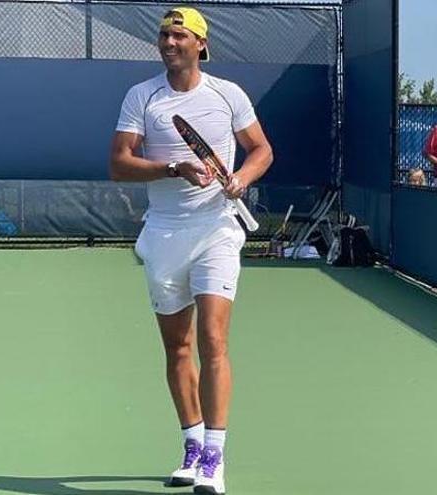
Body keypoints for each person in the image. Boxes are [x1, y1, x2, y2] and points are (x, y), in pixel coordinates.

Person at [109, 8, 274, 495]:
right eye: (163, 34)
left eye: (179, 35)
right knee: (177, 347)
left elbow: (261, 149)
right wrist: (171, 169)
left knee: (213, 341)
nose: (168, 41)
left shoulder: (229, 94)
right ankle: (192, 443)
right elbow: (119, 164)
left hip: (217, 231)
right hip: (163, 232)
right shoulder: (142, 97)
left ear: (201, 44)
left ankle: (215, 458)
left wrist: (241, 177)